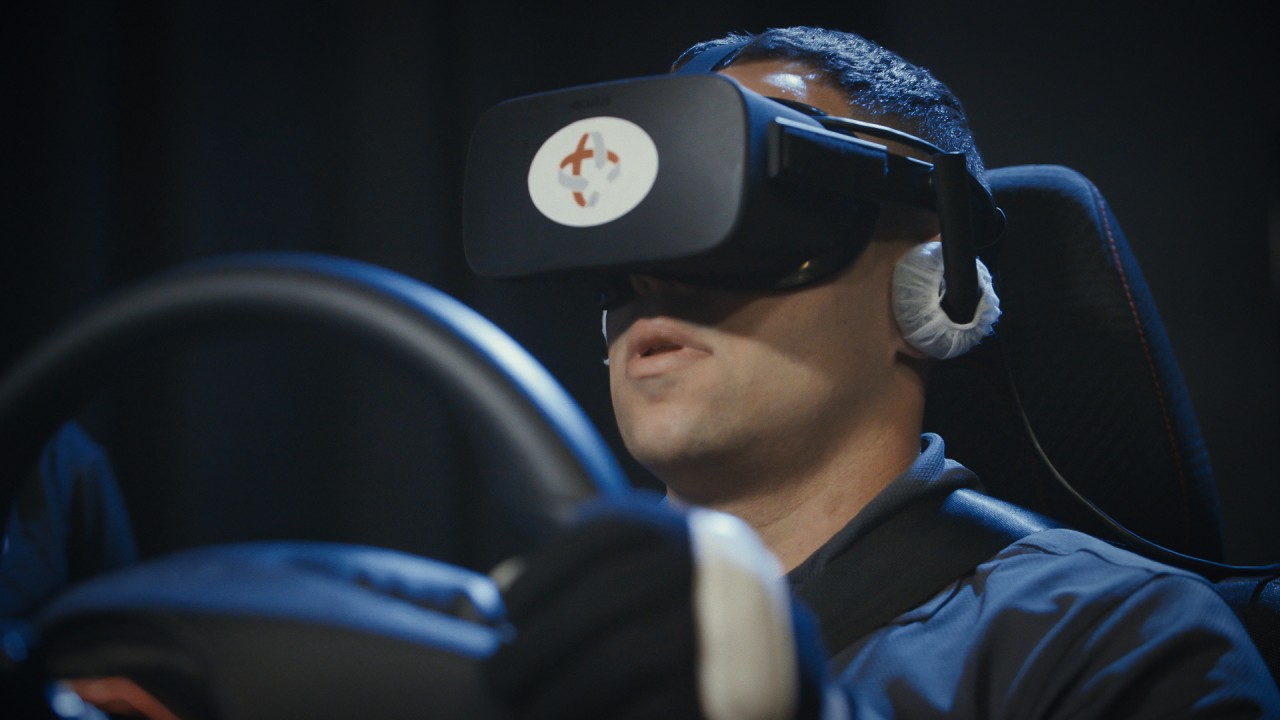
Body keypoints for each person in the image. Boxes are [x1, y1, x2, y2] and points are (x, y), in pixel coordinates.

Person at [481, 26, 1280, 718]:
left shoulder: (1108, 638)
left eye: (754, 211)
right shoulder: (524, 645)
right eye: (646, 228)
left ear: (935, 288)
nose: (657, 273)